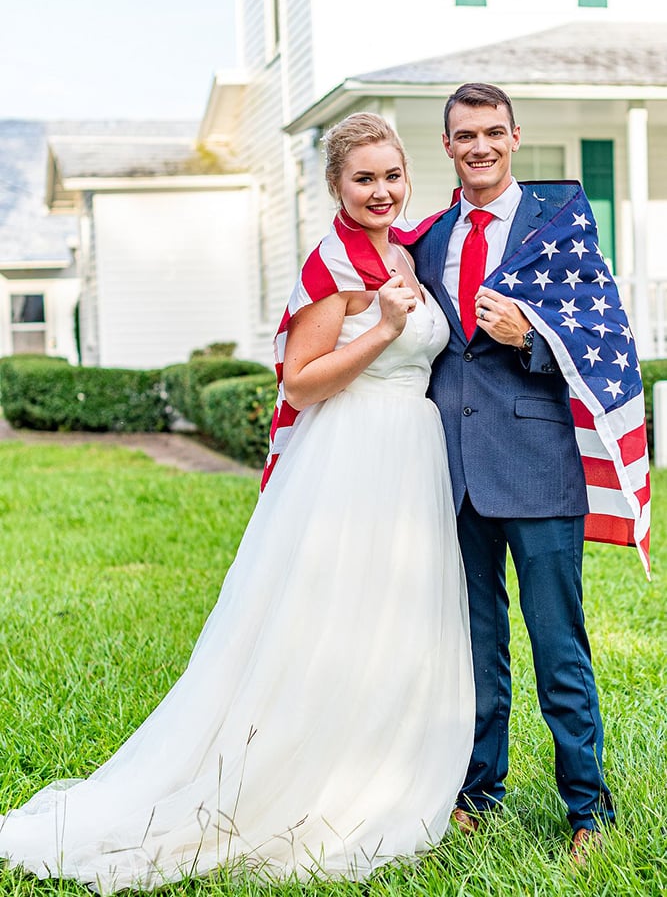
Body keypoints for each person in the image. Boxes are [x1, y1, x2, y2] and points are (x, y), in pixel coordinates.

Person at [0, 113, 474, 892]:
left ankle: (389, 764)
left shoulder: (406, 251)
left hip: (410, 457)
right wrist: (386, 329)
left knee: (393, 617)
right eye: (363, 179)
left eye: (391, 175)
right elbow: (299, 379)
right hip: (355, 455)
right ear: (335, 186)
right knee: (332, 617)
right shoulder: (334, 263)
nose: (381, 190)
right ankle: (306, 777)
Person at [411, 82, 617, 865]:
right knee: (472, 644)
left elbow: (603, 330)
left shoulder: (557, 227)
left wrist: (532, 337)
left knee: (558, 644)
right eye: (465, 135)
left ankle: (588, 810)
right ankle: (474, 792)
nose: (480, 146)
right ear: (447, 145)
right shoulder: (428, 239)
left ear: (514, 136)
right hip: (451, 471)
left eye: (493, 132)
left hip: (537, 468)